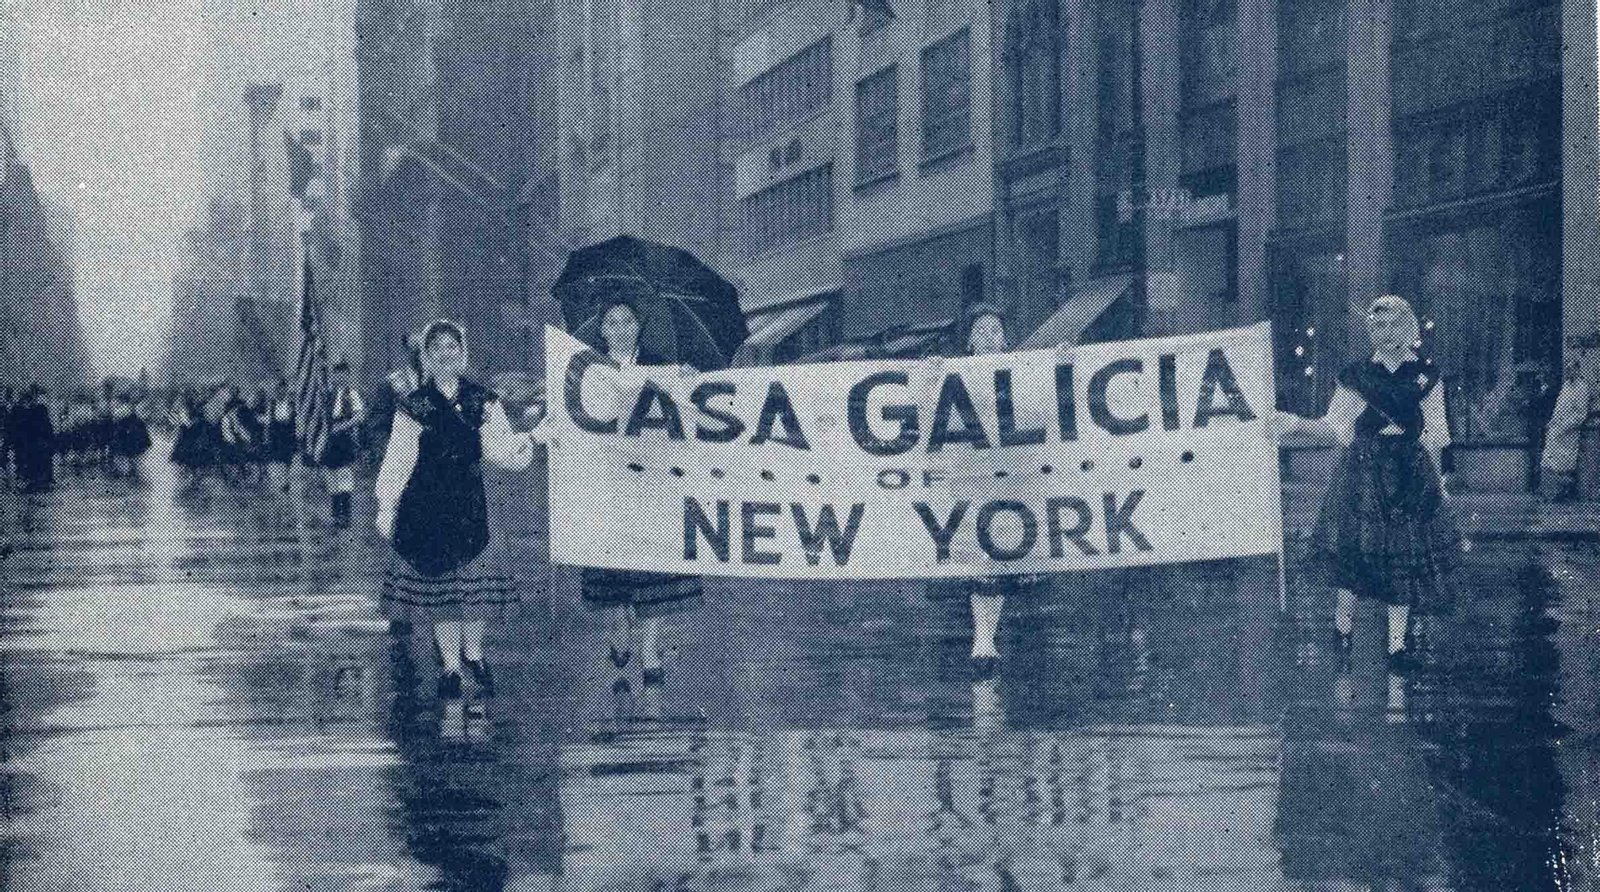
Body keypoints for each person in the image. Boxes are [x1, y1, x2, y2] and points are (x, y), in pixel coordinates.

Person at [1273, 295, 1464, 673]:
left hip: (1410, 471)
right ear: (1370, 331)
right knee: (1356, 553)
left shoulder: (1427, 374)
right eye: (1378, 326)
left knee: (1403, 558)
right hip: (1363, 472)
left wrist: (1440, 482)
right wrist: (1292, 423)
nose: (1386, 333)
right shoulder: (1357, 374)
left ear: (1408, 326)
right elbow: (1334, 426)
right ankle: (1342, 630)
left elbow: (1437, 431)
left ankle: (1396, 647)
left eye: (1393, 324)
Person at [375, 321, 536, 699]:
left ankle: (474, 655)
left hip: (469, 501)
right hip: (426, 502)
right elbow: (400, 456)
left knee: (473, 586)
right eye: (438, 348)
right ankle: (449, 664)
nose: (445, 353)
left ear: (462, 353)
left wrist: (533, 438)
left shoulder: (483, 400)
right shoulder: (415, 405)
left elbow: (501, 449)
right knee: (441, 585)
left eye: (452, 346)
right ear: (428, 356)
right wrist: (387, 502)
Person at [573, 293, 703, 708]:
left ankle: (651, 657)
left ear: (638, 327)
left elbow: (687, 414)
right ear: (602, 328)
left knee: (654, 576)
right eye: (613, 322)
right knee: (617, 578)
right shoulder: (586, 371)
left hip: (652, 487)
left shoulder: (659, 369)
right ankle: (620, 624)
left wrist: (688, 380)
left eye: (629, 321)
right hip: (608, 489)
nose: (622, 329)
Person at [919, 305, 1062, 679]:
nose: (989, 339)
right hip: (976, 478)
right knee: (984, 557)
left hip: (1018, 477)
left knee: (1010, 553)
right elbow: (929, 420)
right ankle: (984, 641)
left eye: (996, 331)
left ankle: (995, 639)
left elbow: (1048, 407)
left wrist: (1063, 366)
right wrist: (930, 380)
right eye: (981, 333)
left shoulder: (1024, 373)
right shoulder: (953, 376)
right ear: (969, 341)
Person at [322, 362, 366, 528]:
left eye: (343, 374)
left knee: (345, 476)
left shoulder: (351, 394)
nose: (339, 377)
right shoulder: (328, 394)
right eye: (337, 374)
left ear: (347, 376)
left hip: (344, 437)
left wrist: (343, 425)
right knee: (331, 475)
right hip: (329, 438)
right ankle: (335, 515)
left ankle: (345, 516)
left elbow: (360, 416)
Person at [1539, 360, 1589, 502]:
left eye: (1572, 369)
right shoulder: (1566, 385)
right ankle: (1549, 494)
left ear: (1578, 370)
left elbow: (1580, 415)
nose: (1569, 372)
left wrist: (1564, 427)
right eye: (1567, 370)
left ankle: (1562, 494)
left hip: (1568, 433)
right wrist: (1552, 423)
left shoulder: (1582, 388)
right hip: (1556, 431)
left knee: (1563, 465)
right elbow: (1559, 408)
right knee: (1549, 462)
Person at [10, 385, 55, 493]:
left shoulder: (35, 410)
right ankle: (38, 482)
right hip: (33, 442)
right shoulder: (36, 410)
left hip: (34, 442)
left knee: (34, 462)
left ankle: (37, 482)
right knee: (34, 462)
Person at [264, 377, 297, 494]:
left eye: (283, 389)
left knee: (288, 459)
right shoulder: (272, 404)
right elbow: (268, 421)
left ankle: (286, 482)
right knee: (277, 459)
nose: (280, 391)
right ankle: (280, 482)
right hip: (276, 434)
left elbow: (294, 419)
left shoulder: (291, 404)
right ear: (276, 390)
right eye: (278, 389)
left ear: (286, 389)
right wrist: (267, 435)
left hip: (288, 434)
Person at [107, 393, 152, 480]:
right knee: (130, 454)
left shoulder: (123, 409)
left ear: (122, 400)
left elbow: (118, 420)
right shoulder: (130, 408)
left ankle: (124, 470)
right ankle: (131, 470)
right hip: (131, 434)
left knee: (122, 453)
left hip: (126, 434)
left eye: (117, 400)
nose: (115, 402)